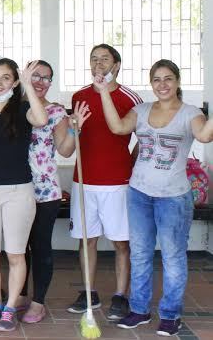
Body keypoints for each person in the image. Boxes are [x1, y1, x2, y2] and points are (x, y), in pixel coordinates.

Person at [94, 60, 213, 336]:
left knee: (172, 257)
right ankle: (139, 310)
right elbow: (118, 128)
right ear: (151, 83)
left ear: (178, 82)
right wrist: (102, 92)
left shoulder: (191, 113)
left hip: (173, 197)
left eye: (168, 79)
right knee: (141, 254)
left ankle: (170, 315)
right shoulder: (141, 110)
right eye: (157, 79)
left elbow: (205, 136)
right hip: (139, 194)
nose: (163, 84)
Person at [67, 44, 142, 320]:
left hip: (117, 182)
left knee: (121, 242)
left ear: (117, 65)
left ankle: (121, 295)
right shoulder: (79, 96)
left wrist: (129, 164)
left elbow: (143, 140)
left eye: (104, 59)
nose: (98, 64)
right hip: (83, 180)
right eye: (93, 59)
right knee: (87, 240)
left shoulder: (130, 98)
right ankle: (89, 293)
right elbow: (75, 136)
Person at [0, 60, 48, 332]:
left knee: (15, 254)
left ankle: (11, 307)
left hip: (18, 191)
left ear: (15, 83)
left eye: (6, 78)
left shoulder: (24, 109)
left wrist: (28, 84)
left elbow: (42, 120)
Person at [20, 61, 82, 324]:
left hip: (45, 191)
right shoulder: (12, 106)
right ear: (24, 76)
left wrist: (73, 129)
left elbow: (66, 150)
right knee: (17, 247)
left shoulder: (56, 111)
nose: (40, 82)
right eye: (35, 76)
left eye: (46, 78)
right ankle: (20, 295)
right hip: (15, 188)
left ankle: (38, 301)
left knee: (40, 246)